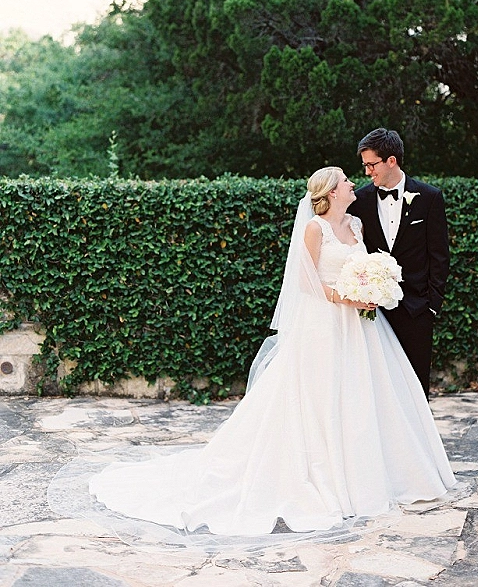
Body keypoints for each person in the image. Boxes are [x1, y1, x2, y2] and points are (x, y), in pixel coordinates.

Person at [82, 167, 455, 544]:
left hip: (361, 328)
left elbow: (364, 267)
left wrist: (375, 286)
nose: (351, 183)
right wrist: (349, 298)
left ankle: (371, 475)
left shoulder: (357, 225)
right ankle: (325, 477)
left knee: (362, 396)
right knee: (319, 397)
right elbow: (307, 283)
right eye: (344, 180)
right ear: (331, 191)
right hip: (326, 324)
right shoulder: (315, 229)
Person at [348, 129, 450, 398]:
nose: (368, 172)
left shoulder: (429, 197)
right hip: (374, 313)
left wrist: (431, 306)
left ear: (391, 161)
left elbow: (439, 255)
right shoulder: (359, 201)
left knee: (416, 386)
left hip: (417, 310)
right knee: (378, 389)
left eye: (372, 165)